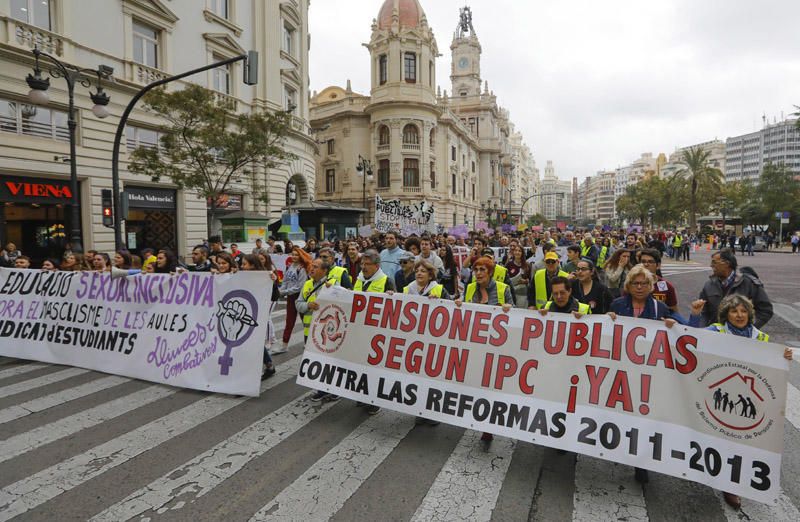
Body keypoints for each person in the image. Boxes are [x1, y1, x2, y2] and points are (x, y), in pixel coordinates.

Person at [688, 294, 792, 510]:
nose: (739, 315)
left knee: (740, 441)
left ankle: (732, 484)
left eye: (743, 311)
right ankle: (721, 477)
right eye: (734, 311)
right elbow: (690, 340)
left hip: (747, 400)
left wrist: (784, 356)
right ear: (726, 314)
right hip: (718, 395)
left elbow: (770, 366)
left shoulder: (760, 337)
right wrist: (694, 316)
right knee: (721, 437)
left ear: (749, 314)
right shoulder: (716, 331)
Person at [608, 264, 679, 485]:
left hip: (649, 375)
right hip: (622, 371)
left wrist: (675, 324)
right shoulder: (618, 305)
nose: (639, 287)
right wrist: (607, 319)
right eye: (635, 283)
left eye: (644, 283)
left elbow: (684, 333)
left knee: (644, 420)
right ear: (628, 286)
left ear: (651, 286)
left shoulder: (660, 308)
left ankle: (641, 463)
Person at [455, 255, 512, 444]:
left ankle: (488, 427)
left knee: (491, 389)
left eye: (482, 270)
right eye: (475, 269)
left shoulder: (503, 289)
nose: (478, 273)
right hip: (475, 346)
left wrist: (508, 310)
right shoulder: (470, 288)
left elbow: (518, 317)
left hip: (496, 348)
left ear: (490, 273)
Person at [352, 249, 396, 414]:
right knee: (359, 366)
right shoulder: (358, 280)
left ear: (377, 266)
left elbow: (396, 308)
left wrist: (392, 296)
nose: (363, 267)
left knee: (374, 370)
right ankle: (362, 395)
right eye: (362, 263)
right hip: (360, 331)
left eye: (367, 264)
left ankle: (374, 400)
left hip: (377, 334)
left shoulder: (386, 281)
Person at [699, 249, 773, 328]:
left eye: (714, 262)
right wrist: (703, 330)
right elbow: (703, 312)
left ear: (726, 264)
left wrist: (748, 329)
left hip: (740, 338)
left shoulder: (749, 283)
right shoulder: (709, 285)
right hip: (715, 335)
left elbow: (765, 310)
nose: (711, 265)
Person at [240, 254, 278, 380]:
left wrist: (272, 282)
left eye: (244, 264)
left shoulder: (265, 277)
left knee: (253, 341)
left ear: (252, 265)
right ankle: (269, 365)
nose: (241, 266)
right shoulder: (241, 276)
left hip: (256, 314)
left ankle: (248, 376)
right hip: (244, 312)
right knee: (251, 342)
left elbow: (274, 296)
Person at [277, 247, 310, 354]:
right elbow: (285, 281)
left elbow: (300, 287)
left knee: (306, 321)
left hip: (300, 298)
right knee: (289, 321)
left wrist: (284, 292)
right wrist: (281, 290)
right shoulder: (290, 266)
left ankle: (308, 343)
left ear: (300, 256)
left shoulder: (302, 269)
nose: (294, 256)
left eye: (296, 254)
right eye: (293, 254)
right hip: (291, 298)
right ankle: (284, 345)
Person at [639, 249, 679, 313]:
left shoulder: (667, 287)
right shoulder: (630, 284)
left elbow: (674, 312)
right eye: (643, 261)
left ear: (658, 265)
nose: (646, 264)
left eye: (650, 262)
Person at [505, 243, 531, 309]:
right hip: (511, 293)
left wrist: (526, 281)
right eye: (516, 250)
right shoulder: (509, 265)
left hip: (523, 294)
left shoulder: (527, 265)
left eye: (519, 251)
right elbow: (505, 279)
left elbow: (531, 279)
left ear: (522, 253)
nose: (517, 252)